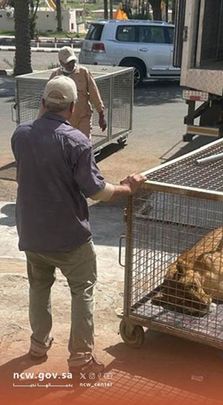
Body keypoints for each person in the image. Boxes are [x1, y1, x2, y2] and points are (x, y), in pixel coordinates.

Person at [11, 76, 146, 374]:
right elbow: (97, 192)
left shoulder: (21, 135)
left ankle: (38, 345)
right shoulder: (77, 142)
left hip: (32, 233)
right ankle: (81, 358)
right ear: (72, 108)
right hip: (70, 237)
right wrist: (128, 188)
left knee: (39, 287)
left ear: (43, 103)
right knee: (82, 290)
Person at [48, 46, 107, 139]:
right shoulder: (55, 76)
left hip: (83, 117)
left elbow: (94, 93)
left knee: (84, 144)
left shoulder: (83, 72)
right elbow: (48, 99)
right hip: (63, 120)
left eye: (73, 61)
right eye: (68, 62)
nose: (71, 64)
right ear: (61, 62)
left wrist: (101, 115)